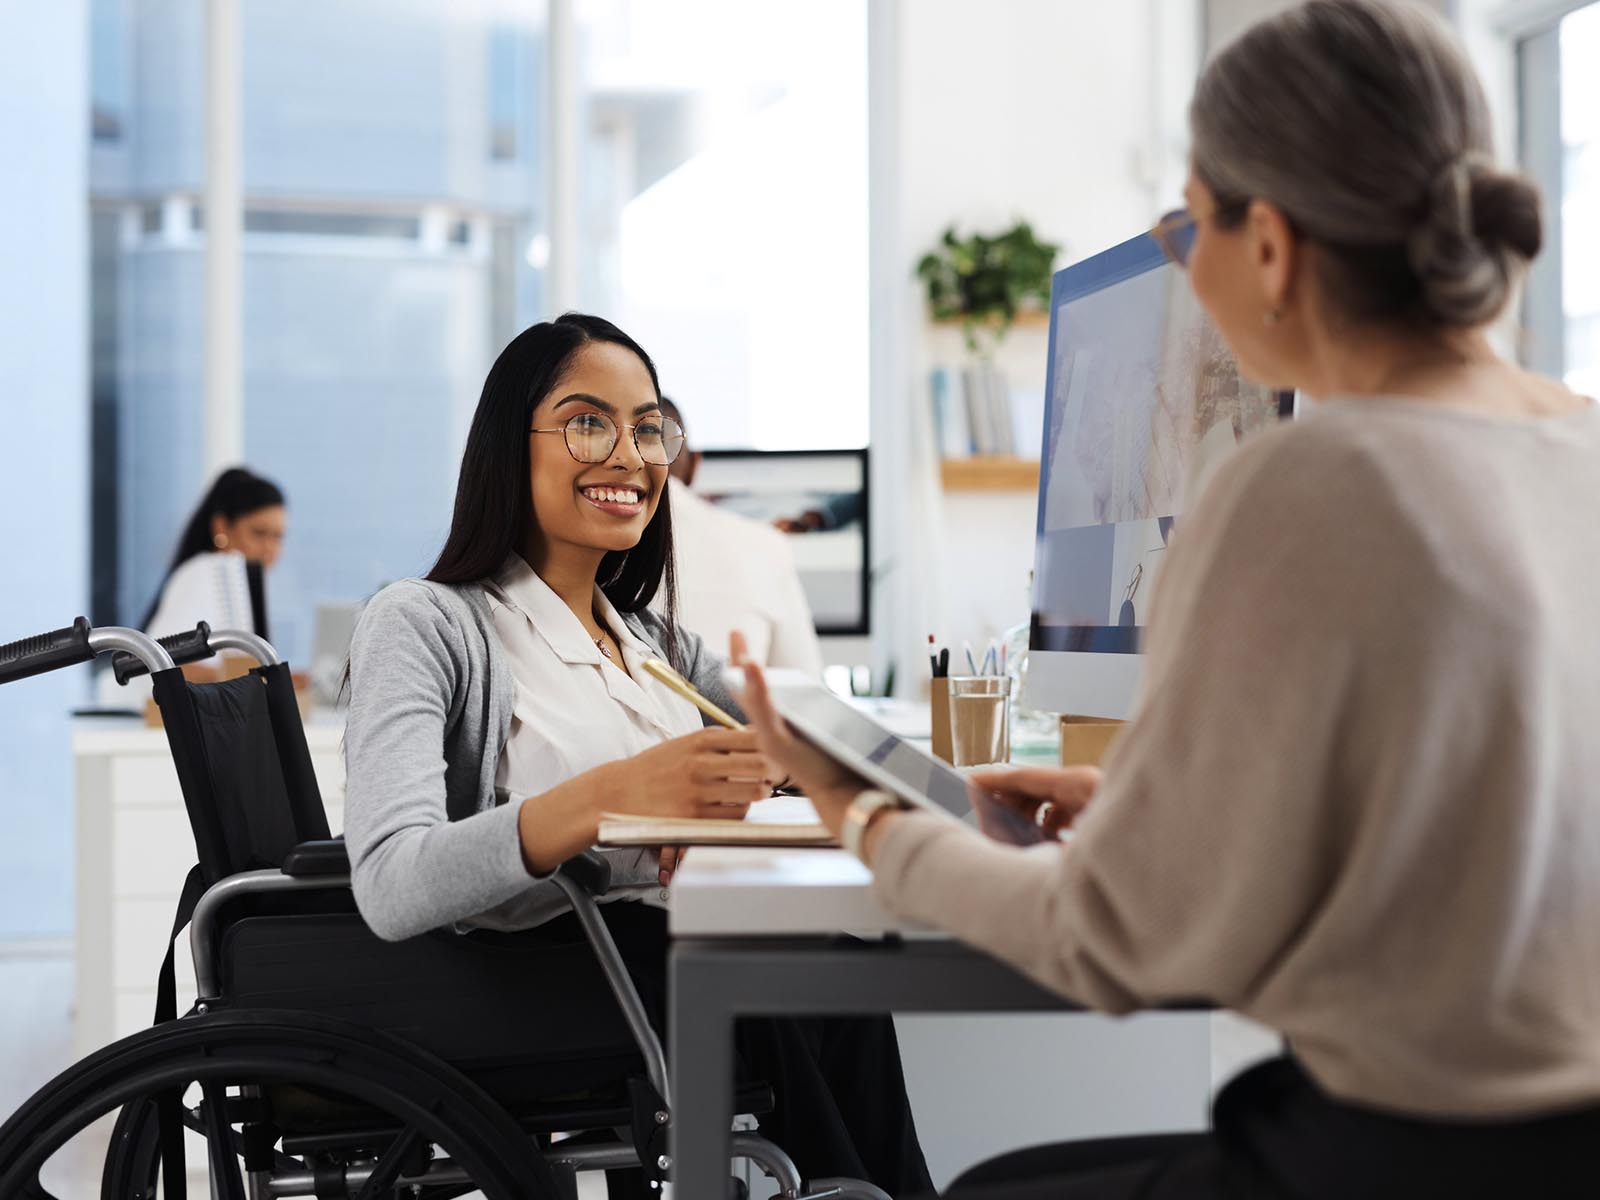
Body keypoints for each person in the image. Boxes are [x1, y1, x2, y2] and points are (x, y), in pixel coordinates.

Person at [736, 3, 1600, 1197]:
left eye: (1189, 219)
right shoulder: (1580, 440)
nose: (1177, 256)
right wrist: (1161, 809)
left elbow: (1108, 947)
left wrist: (867, 818)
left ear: (1272, 246)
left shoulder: (1305, 479)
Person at [341, 314, 931, 1197]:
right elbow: (392, 883)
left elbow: (803, 750)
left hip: (653, 960)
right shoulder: (427, 622)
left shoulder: (654, 643)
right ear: (513, 444)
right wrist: (616, 797)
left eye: (649, 427)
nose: (630, 454)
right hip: (528, 984)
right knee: (788, 983)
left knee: (847, 970)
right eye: (589, 422)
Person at [657, 397, 825, 675]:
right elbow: (805, 681)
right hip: (740, 714)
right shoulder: (768, 545)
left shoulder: (594, 543)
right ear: (694, 466)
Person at [141, 466, 286, 639]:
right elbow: (166, 656)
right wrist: (231, 668)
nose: (270, 547)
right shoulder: (204, 572)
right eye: (258, 533)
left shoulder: (247, 586)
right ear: (221, 526)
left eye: (278, 536)